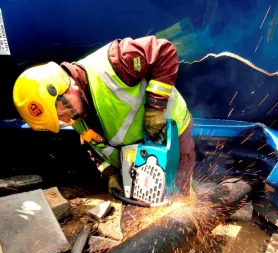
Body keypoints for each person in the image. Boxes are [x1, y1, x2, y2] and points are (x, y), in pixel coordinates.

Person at [13, 36, 195, 197]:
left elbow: (164, 51)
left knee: (177, 194)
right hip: (136, 156)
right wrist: (110, 174)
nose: (67, 120)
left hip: (170, 133)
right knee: (148, 206)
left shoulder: (114, 62)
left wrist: (155, 107)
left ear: (66, 89)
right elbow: (92, 143)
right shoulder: (77, 113)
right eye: (60, 120)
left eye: (62, 114)